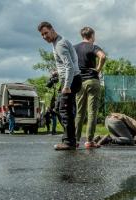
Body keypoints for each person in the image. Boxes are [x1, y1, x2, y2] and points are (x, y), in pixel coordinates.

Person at [38, 21, 82, 150]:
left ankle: (69, 142)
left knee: (64, 111)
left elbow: (70, 66)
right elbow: (71, 62)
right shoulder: (58, 42)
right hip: (71, 78)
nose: (44, 36)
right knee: (58, 108)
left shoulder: (60, 44)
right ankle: (71, 138)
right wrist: (58, 71)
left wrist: (67, 85)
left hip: (71, 80)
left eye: (46, 33)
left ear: (52, 30)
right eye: (42, 35)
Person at [74, 27, 106, 148]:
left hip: (79, 82)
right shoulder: (93, 46)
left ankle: (76, 140)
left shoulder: (74, 48)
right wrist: (98, 69)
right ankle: (89, 141)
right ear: (92, 35)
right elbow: (102, 56)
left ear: (82, 35)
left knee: (79, 112)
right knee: (92, 112)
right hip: (92, 80)